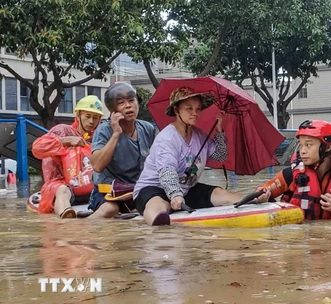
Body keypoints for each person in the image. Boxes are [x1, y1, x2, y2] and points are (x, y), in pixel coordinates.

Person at [133, 86, 254, 226]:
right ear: (176, 110)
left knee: (222, 194)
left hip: (186, 189)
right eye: (189, 108)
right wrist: (175, 195)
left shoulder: (199, 135)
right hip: (154, 188)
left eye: (198, 109)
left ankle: (256, 201)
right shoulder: (166, 138)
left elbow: (220, 156)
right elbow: (167, 171)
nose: (195, 113)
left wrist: (219, 130)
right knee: (159, 205)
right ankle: (159, 229)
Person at [256, 120, 331, 219]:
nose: (302, 151)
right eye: (301, 145)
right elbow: (263, 191)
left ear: (327, 147)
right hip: (300, 241)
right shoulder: (290, 175)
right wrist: (263, 197)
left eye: (308, 145)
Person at [88, 82, 156, 218]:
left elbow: (157, 162)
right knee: (110, 209)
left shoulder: (147, 128)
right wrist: (115, 134)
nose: (128, 105)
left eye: (131, 100)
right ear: (113, 110)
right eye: (121, 102)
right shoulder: (104, 129)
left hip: (137, 189)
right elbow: (97, 165)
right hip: (108, 191)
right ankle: (80, 232)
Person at [32, 95, 105, 218]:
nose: (91, 121)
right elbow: (37, 148)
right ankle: (66, 219)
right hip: (60, 184)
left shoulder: (99, 137)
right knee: (63, 190)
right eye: (87, 116)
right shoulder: (62, 130)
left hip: (90, 186)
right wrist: (65, 141)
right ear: (78, 116)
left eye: (96, 118)